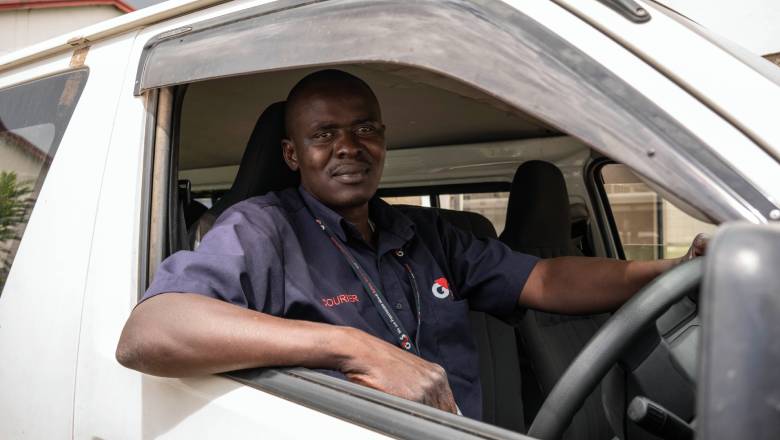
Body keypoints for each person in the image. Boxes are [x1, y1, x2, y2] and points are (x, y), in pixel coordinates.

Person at [116, 69, 706, 420]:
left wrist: (671, 269)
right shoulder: (261, 229)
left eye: (365, 128)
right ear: (293, 155)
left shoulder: (426, 232)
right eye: (323, 134)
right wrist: (351, 347)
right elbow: (152, 332)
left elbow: (545, 280)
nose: (349, 146)